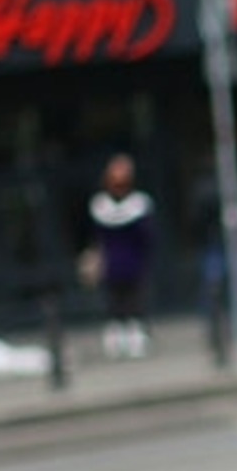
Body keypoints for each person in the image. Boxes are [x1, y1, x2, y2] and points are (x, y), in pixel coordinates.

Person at [87, 153, 156, 360]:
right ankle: (122, 339)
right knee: (119, 302)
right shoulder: (107, 205)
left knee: (130, 301)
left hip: (128, 262)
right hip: (119, 263)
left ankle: (130, 339)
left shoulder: (134, 204)